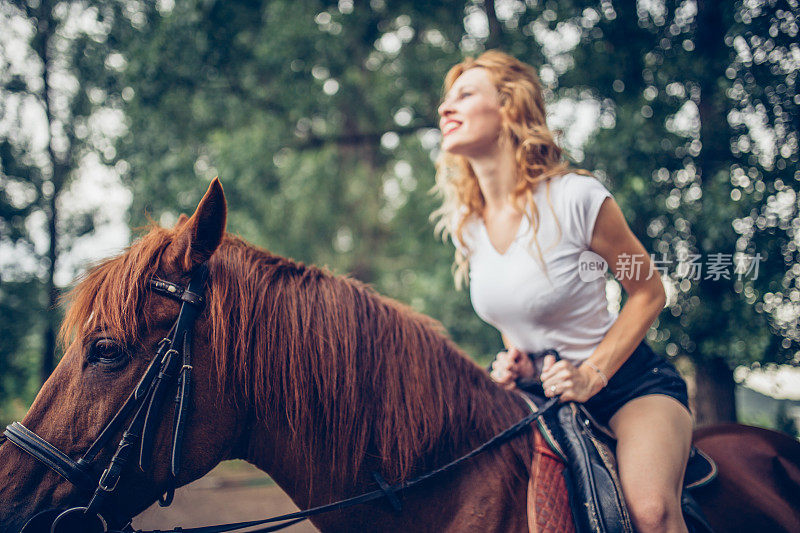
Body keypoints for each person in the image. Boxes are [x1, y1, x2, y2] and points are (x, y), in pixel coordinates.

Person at [432, 50, 693, 533]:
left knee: (651, 511)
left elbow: (650, 292)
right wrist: (517, 359)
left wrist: (592, 373)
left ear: (510, 107)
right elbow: (524, 315)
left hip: (627, 388)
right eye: (446, 99)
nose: (446, 108)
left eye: (465, 95)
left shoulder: (577, 198)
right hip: (538, 399)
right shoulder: (469, 228)